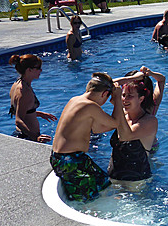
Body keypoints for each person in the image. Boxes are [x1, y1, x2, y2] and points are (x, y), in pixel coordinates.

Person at [50, 72, 126, 202]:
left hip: (68, 158)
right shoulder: (90, 106)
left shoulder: (75, 100)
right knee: (88, 200)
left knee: (103, 183)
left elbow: (98, 128)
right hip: (69, 162)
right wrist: (118, 99)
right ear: (104, 94)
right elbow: (115, 123)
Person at [107, 78, 158, 184]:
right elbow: (107, 85)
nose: (125, 99)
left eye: (130, 96)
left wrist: (117, 103)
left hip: (137, 182)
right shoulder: (122, 117)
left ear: (141, 99)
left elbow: (126, 136)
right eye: (123, 95)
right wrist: (130, 78)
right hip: (113, 178)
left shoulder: (150, 121)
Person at [9, 54, 57, 142]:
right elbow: (18, 120)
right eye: (38, 68)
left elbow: (21, 110)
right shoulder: (24, 92)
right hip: (26, 137)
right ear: (29, 70)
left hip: (22, 135)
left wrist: (38, 113)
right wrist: (35, 137)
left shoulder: (17, 84)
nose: (41, 70)